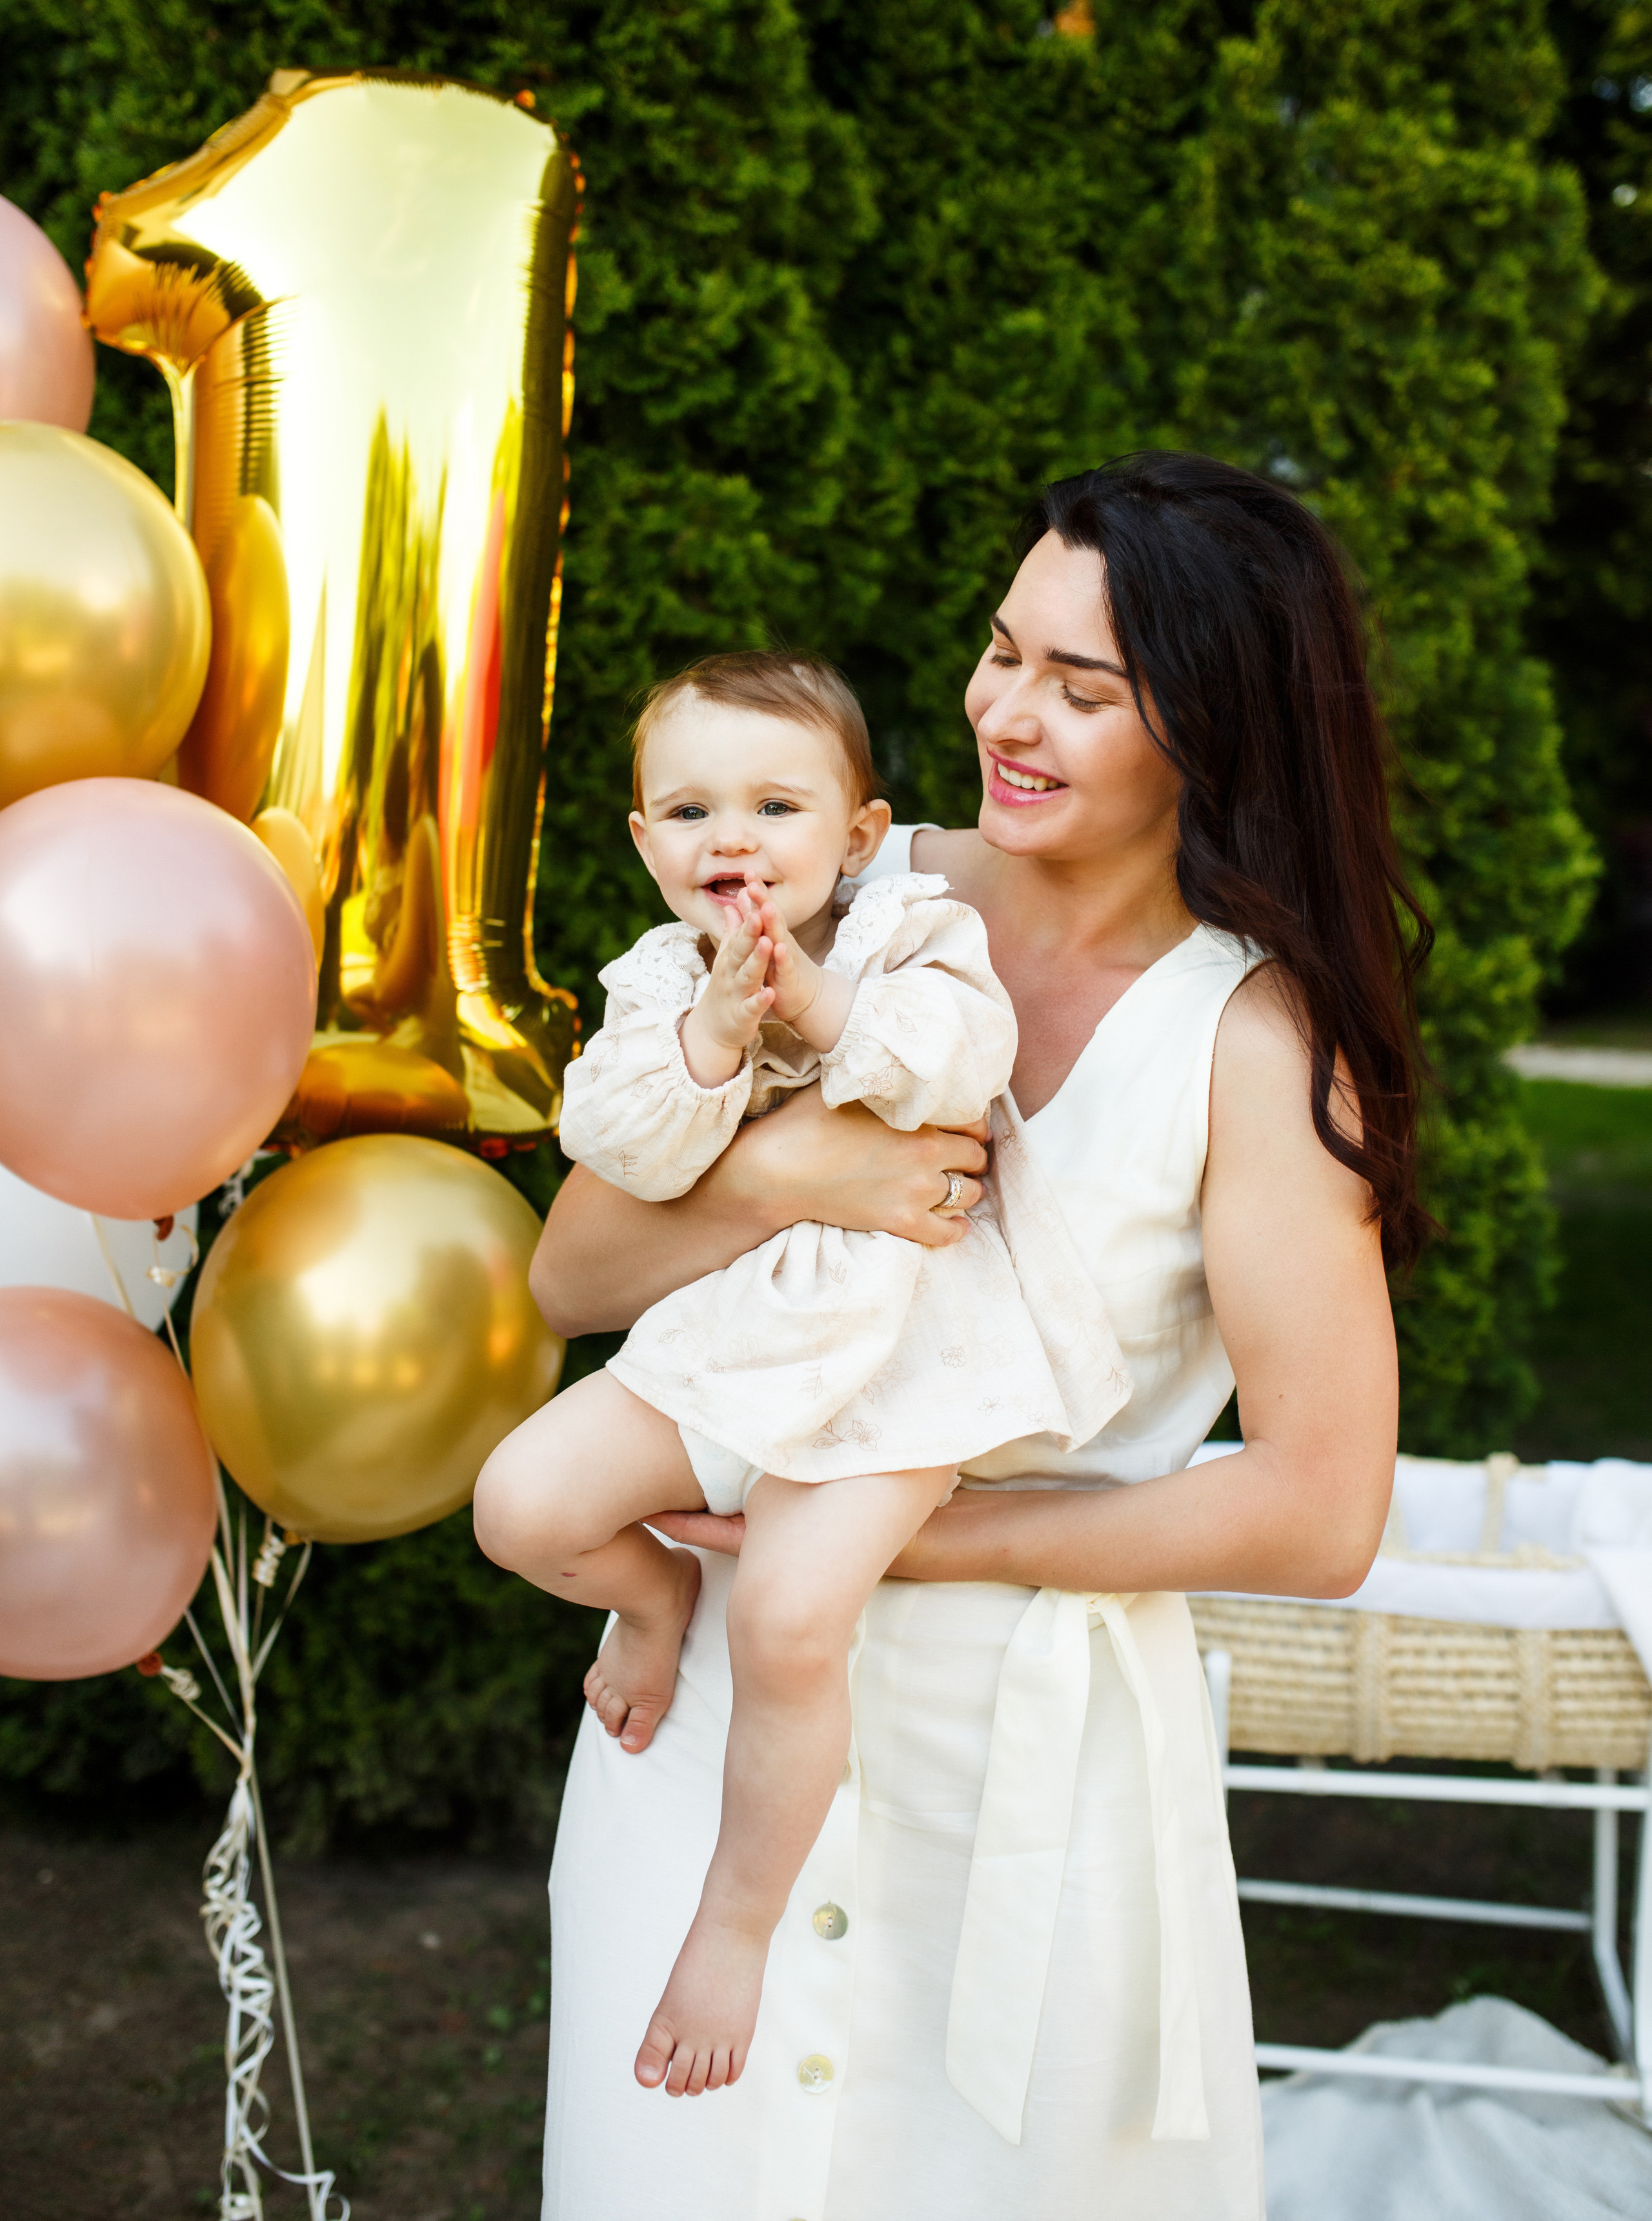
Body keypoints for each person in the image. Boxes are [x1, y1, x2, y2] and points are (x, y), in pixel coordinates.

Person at [527, 452, 1430, 2221]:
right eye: (1004, 650)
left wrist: (938, 1539)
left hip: (1025, 1773)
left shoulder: (1251, 1042)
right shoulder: (831, 887)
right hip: (711, 1734)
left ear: (1212, 722)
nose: (1006, 713)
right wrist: (793, 1167)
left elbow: (1323, 1510)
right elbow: (574, 1277)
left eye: (1081, 687)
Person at [474, 650, 1129, 2098]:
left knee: (781, 1612)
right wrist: (715, 1032)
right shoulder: (655, 981)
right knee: (520, 1503)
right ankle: (647, 1600)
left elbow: (959, 1066)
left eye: (774, 805)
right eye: (689, 809)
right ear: (643, 842)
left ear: (854, 831)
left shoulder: (910, 933)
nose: (732, 840)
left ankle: (733, 1921)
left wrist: (817, 1006)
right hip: (734, 1334)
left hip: (905, 1350)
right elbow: (623, 1148)